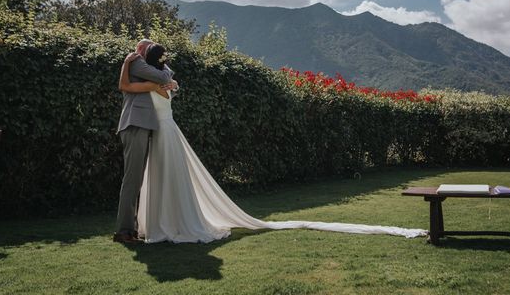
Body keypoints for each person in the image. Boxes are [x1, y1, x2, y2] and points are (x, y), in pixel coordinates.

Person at [118, 44, 427, 244]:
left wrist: (147, 68)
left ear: (151, 60)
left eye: (145, 50)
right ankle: (144, 226)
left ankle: (148, 225)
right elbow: (147, 80)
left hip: (161, 132)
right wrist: (154, 68)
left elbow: (135, 83)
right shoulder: (158, 77)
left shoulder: (157, 81)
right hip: (157, 130)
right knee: (154, 179)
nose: (140, 49)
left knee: (156, 179)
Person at [113, 39, 177, 244]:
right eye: (147, 48)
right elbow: (163, 76)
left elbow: (167, 81)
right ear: (140, 49)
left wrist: (171, 81)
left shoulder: (142, 64)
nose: (148, 52)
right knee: (132, 179)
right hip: (135, 124)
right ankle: (123, 231)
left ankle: (133, 228)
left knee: (138, 179)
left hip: (145, 125)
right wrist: (168, 76)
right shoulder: (136, 62)